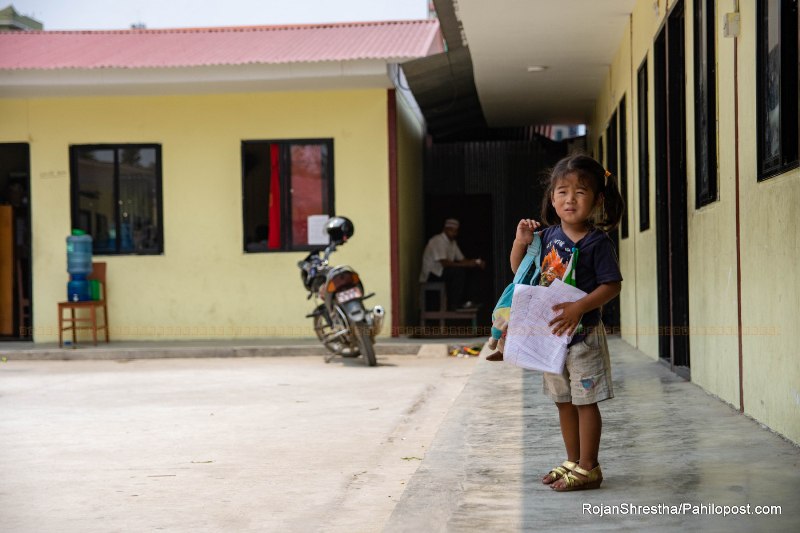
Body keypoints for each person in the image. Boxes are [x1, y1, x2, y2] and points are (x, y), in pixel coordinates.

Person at [504, 154, 624, 492]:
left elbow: (611, 285)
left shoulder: (597, 242)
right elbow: (520, 271)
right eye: (562, 192)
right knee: (564, 401)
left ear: (598, 200)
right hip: (551, 338)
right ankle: (573, 461)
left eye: (580, 192)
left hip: (584, 337)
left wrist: (579, 307)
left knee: (586, 401)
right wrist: (520, 242)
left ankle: (590, 466)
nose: (570, 199)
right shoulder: (545, 238)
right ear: (552, 200)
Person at [419, 218, 485, 310]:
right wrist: (465, 265)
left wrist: (475, 263)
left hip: (442, 273)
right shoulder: (438, 240)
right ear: (445, 229)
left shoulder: (452, 243)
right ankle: (455, 305)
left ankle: (468, 302)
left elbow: (462, 260)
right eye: (451, 230)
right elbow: (444, 263)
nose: (454, 233)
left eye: (455, 231)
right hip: (432, 274)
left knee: (470, 270)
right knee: (458, 272)